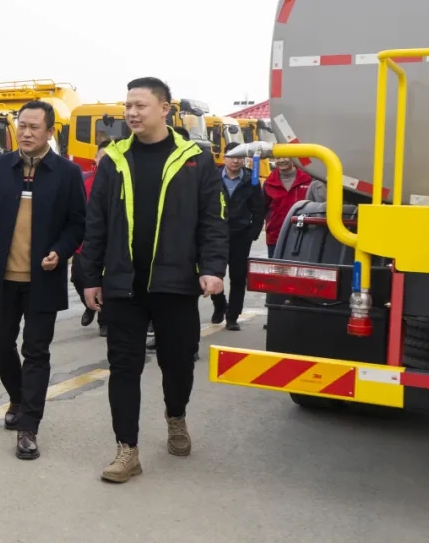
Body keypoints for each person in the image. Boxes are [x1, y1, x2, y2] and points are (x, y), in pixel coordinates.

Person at [80, 77, 228, 483]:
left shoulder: (195, 159)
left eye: (140, 105)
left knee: (177, 365)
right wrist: (90, 276)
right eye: (128, 105)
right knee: (123, 368)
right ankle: (126, 450)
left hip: (175, 285)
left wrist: (213, 268)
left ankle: (176, 416)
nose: (131, 113)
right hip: (123, 286)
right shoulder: (113, 159)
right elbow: (96, 223)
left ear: (164, 109)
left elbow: (214, 220)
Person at [0, 99, 87, 460]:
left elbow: (77, 223)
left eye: (34, 127)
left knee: (36, 352)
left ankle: (28, 427)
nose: (26, 133)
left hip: (43, 279)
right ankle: (18, 397)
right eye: (21, 125)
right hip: (1, 278)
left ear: (50, 132)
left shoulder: (67, 173)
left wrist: (61, 251)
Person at [210, 142, 264, 331]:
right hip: (215, 235)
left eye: (239, 157)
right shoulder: (213, 177)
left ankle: (232, 316)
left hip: (241, 235)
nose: (235, 161)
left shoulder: (251, 180)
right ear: (224, 157)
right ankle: (219, 304)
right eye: (232, 156)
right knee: (213, 273)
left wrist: (253, 233)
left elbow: (259, 209)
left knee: (238, 277)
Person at [73, 139, 110, 336]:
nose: (104, 161)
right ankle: (89, 305)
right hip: (83, 242)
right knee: (77, 277)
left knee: (102, 280)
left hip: (108, 243)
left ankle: (104, 321)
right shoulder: (84, 181)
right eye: (101, 157)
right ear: (95, 158)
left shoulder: (118, 181)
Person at [263, 157, 312, 257]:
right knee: (276, 265)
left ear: (293, 158)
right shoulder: (268, 183)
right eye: (278, 158)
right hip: (276, 236)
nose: (281, 160)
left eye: (285, 156)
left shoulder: (308, 179)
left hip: (304, 234)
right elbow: (263, 209)